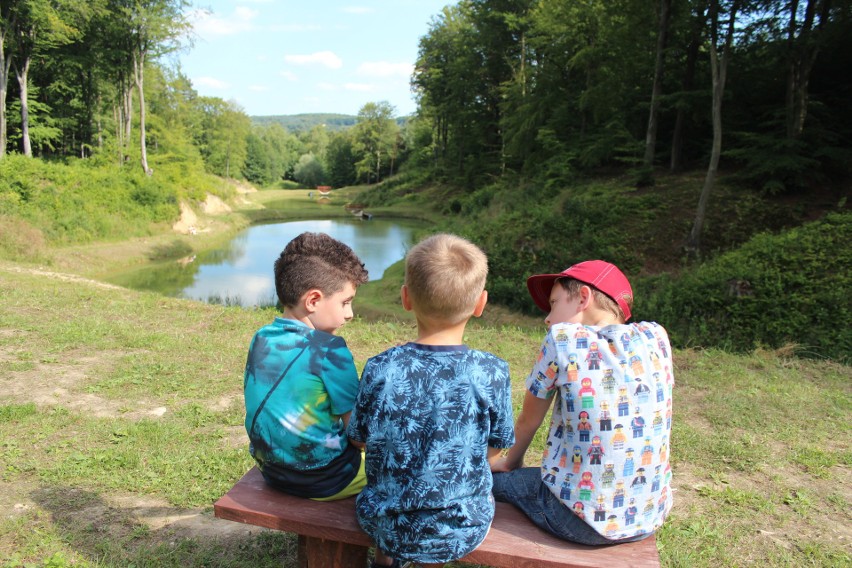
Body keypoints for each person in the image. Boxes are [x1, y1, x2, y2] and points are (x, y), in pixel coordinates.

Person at [348, 234, 515, 568]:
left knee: (391, 511)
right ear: (480, 303)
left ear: (406, 298)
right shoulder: (492, 372)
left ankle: (386, 560)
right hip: (461, 525)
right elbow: (495, 450)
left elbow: (358, 439)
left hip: (383, 520)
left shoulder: (382, 367)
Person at [490, 260, 673, 545]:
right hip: (646, 518)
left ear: (583, 298)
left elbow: (529, 420)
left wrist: (510, 461)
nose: (547, 318)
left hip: (577, 520)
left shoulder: (563, 339)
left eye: (554, 303)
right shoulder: (656, 337)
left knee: (491, 480)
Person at [243, 232, 369, 501]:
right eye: (345, 302)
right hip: (328, 479)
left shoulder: (261, 338)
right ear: (313, 300)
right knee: (404, 468)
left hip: (272, 470)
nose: (350, 313)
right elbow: (358, 436)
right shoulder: (330, 350)